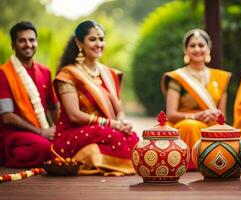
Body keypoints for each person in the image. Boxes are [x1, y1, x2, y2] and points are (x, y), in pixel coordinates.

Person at [52, 20, 139, 176]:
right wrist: (112, 124)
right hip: (74, 133)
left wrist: (123, 122)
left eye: (101, 39)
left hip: (106, 129)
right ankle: (97, 159)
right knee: (113, 136)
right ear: (79, 42)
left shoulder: (110, 74)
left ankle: (107, 161)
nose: (99, 44)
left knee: (131, 137)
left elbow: (119, 110)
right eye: (93, 39)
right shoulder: (69, 74)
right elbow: (74, 115)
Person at [161, 29, 231, 170]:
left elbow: (222, 117)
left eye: (201, 45)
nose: (197, 49)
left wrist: (215, 116)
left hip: (211, 125)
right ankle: (194, 164)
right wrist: (195, 116)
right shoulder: (177, 78)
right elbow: (171, 114)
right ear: (185, 50)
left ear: (208, 48)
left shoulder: (221, 77)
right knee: (191, 126)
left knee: (227, 132)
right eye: (192, 46)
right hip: (184, 124)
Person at [0, 21, 59, 168]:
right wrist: (41, 132)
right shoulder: (3, 73)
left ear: (36, 42)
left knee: (67, 143)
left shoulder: (45, 72)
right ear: (13, 45)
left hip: (39, 131)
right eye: (22, 40)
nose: (28, 44)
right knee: (45, 148)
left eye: (31, 40)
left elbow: (53, 107)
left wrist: (59, 131)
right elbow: (7, 117)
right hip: (12, 134)